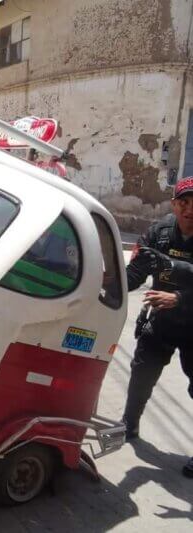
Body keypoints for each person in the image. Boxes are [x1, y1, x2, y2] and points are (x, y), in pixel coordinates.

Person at [123, 176, 193, 478]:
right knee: (142, 374)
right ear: (174, 204)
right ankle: (129, 423)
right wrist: (107, 283)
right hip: (161, 323)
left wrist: (177, 298)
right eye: (184, 203)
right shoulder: (159, 232)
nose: (190, 210)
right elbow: (136, 273)